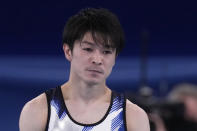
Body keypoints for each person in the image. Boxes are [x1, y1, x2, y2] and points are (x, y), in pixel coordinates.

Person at [19, 8, 150, 131]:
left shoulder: (133, 117)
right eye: (88, 49)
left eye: (106, 51)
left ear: (115, 57)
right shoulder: (38, 111)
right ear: (68, 51)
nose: (97, 60)